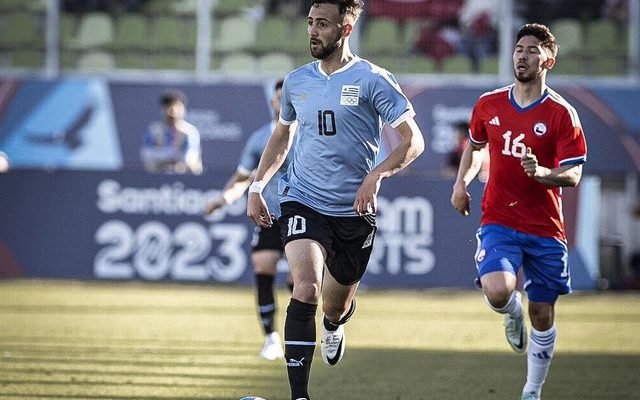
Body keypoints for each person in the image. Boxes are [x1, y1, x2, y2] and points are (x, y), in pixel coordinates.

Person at [246, 1, 425, 399]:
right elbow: (282, 135)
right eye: (310, 23)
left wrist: (377, 175)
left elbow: (414, 140)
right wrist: (258, 185)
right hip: (303, 200)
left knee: (333, 306)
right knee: (305, 287)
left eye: (322, 24)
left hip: (354, 212)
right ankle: (300, 396)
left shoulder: (373, 80)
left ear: (345, 30)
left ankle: (334, 324)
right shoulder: (296, 81)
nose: (313, 31)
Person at [450, 23, 587, 400]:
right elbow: (476, 147)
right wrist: (462, 183)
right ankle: (511, 312)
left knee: (542, 314)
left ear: (549, 60)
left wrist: (543, 173)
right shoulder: (489, 104)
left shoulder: (562, 114)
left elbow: (574, 173)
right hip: (499, 218)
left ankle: (532, 390)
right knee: (498, 290)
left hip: (545, 227)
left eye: (531, 50)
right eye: (518, 49)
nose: (522, 56)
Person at [205, 79, 293, 361]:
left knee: (301, 280)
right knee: (262, 264)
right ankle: (271, 338)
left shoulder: (309, 136)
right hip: (269, 215)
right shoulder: (259, 139)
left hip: (302, 212)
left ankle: (308, 331)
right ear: (273, 103)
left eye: (289, 98)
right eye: (280, 98)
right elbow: (243, 177)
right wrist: (223, 199)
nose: (284, 103)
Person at [140, 90, 203, 175]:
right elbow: (146, 154)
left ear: (183, 109)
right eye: (168, 108)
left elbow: (190, 157)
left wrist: (175, 161)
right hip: (159, 174)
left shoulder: (190, 131)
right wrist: (167, 156)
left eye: (177, 108)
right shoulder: (154, 130)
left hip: (185, 176)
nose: (172, 112)